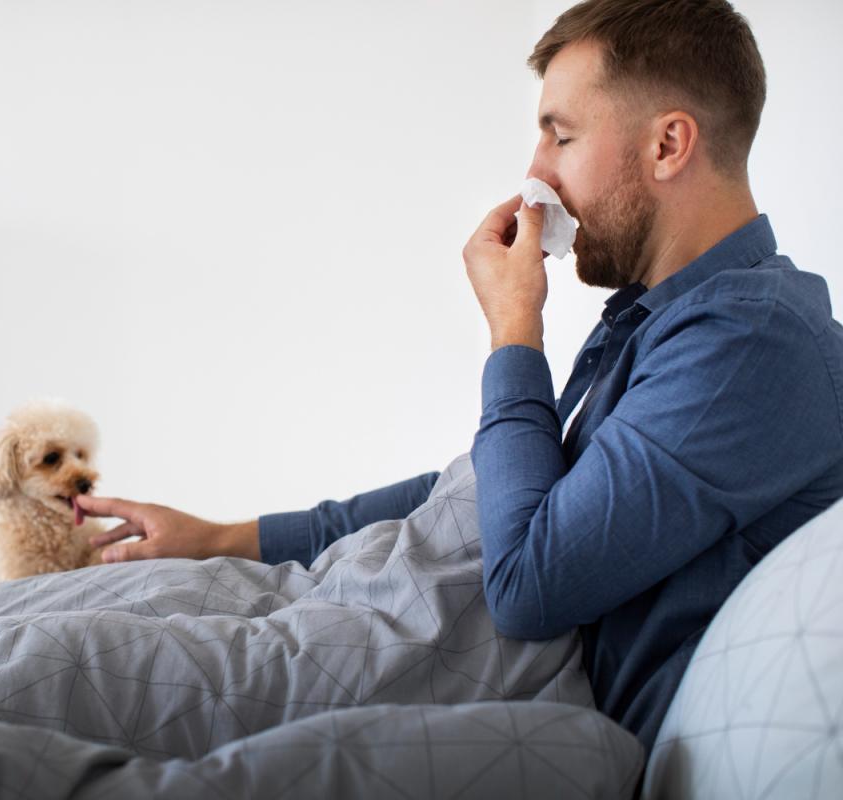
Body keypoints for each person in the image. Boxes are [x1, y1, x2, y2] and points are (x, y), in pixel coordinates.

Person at [76, 0, 843, 751]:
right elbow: (482, 492)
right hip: (406, 623)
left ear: (669, 145)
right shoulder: (669, 320)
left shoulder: (752, 342)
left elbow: (527, 583)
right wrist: (225, 539)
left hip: (497, 689)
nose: (536, 177)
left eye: (561, 136)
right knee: (60, 628)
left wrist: (515, 329)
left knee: (63, 671)